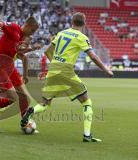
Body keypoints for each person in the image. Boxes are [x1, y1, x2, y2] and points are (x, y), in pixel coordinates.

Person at [21, 12, 114, 142]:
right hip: (66, 70)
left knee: (45, 103)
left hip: (53, 69)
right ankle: (87, 135)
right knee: (86, 101)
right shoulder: (82, 37)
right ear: (84, 23)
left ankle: (30, 112)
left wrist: (56, 64)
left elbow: (48, 51)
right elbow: (92, 56)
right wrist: (106, 69)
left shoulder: (61, 33)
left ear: (72, 22)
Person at [0, 17, 39, 122]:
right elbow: (0, 24)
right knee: (12, 98)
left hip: (10, 67)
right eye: (32, 31)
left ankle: (25, 121)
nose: (32, 34)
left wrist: (25, 75)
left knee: (24, 96)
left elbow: (21, 54)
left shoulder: (21, 37)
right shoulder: (14, 27)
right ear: (27, 25)